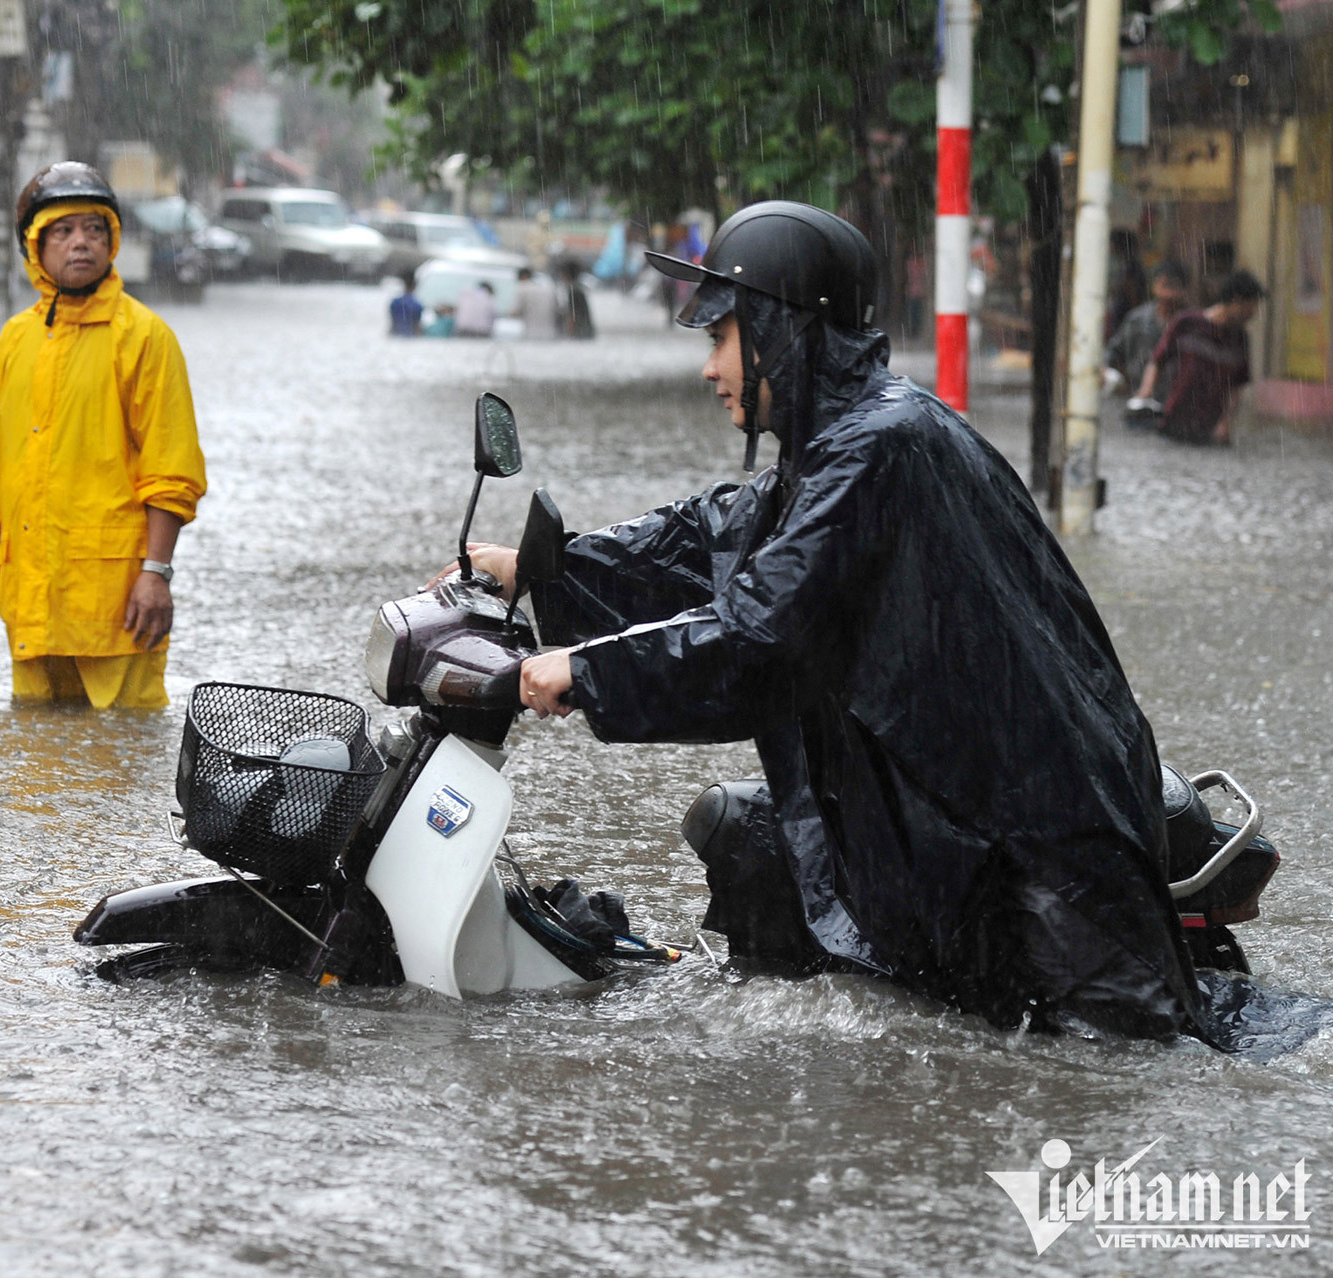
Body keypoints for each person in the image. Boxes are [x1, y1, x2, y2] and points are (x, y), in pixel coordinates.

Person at [462, 200, 1248, 1046]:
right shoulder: (841, 442)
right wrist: (543, 566)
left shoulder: (880, 446)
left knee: (1105, 1074)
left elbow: (759, 636)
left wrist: (584, 671)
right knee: (750, 843)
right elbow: (711, 536)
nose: (707, 369)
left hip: (1041, 836)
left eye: (719, 338)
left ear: (781, 332)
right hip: (956, 808)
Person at [0, 162, 207, 708]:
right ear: (35, 249)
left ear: (112, 241)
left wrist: (155, 574)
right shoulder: (16, 341)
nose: (80, 243)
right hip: (30, 603)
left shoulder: (144, 338)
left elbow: (172, 470)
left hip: (116, 605)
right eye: (62, 232)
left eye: (94, 229)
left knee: (119, 761)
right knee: (38, 770)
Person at [1136, 270, 1264, 446]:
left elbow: (1236, 387)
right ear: (1236, 301)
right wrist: (1145, 391)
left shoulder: (1240, 339)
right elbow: (1157, 361)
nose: (1253, 314)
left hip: (1208, 429)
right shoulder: (1186, 323)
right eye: (1251, 307)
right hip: (1172, 419)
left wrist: (1225, 423)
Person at [1104, 260, 1189, 403]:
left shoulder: (1191, 323)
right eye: (1164, 285)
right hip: (1139, 400)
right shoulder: (1138, 319)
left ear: (1184, 290)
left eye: (1174, 287)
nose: (1168, 294)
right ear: (1154, 286)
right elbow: (1113, 352)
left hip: (1178, 402)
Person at [511, 266, 559, 340]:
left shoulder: (522, 288)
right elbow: (557, 311)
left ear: (523, 276)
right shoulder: (548, 289)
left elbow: (514, 312)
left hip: (531, 334)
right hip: (551, 334)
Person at [557, 261, 595, 339]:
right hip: (587, 331)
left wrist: (569, 334)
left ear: (565, 275)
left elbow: (572, 315)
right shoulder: (578, 287)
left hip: (580, 333)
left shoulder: (573, 290)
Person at [389, 270, 425, 337]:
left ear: (403, 284)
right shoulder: (417, 305)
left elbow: (392, 325)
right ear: (415, 285)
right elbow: (416, 327)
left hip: (395, 337)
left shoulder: (394, 302)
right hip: (410, 338)